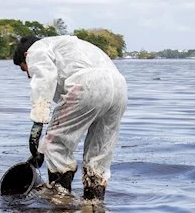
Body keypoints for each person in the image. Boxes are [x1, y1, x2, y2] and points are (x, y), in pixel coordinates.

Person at [13, 35, 128, 200]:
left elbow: (44, 78)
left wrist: (38, 121)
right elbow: (65, 123)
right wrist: (41, 152)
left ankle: (61, 199)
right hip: (120, 88)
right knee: (101, 149)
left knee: (56, 144)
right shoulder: (73, 45)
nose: (28, 75)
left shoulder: (37, 48)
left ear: (26, 55)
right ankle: (94, 205)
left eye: (25, 69)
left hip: (87, 84)